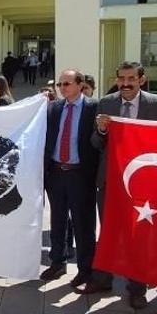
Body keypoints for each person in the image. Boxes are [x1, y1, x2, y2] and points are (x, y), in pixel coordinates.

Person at [83, 61, 157, 309]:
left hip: (143, 186)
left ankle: (137, 288)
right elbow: (95, 144)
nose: (125, 83)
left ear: (142, 80)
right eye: (121, 78)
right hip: (110, 181)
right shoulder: (107, 103)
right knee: (109, 231)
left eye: (131, 78)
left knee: (139, 236)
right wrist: (101, 131)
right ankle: (103, 279)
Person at [40, 70, 99, 289]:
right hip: (56, 172)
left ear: (80, 84)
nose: (63, 87)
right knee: (57, 219)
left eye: (67, 83)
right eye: (60, 84)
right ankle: (58, 261)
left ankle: (85, 269)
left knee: (83, 223)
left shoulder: (94, 107)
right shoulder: (54, 108)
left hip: (80, 174)